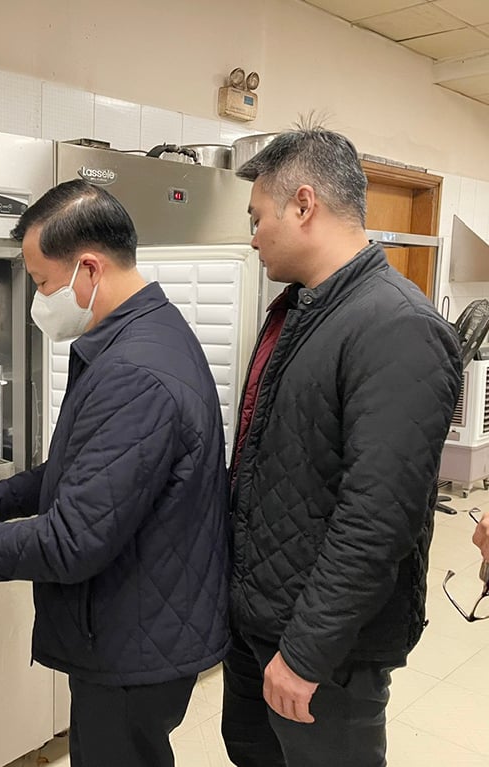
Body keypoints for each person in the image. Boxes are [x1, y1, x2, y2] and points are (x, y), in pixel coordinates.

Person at [0, 178, 230, 767]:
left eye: (41, 281)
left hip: (135, 639)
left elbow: (74, 539)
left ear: (88, 268)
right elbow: (82, 473)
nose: (39, 298)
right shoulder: (141, 334)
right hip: (139, 621)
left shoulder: (134, 372)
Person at [222, 125, 462, 767]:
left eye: (257, 217)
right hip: (260, 630)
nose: (252, 239)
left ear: (303, 205)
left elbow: (378, 519)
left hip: (325, 654)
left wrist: (305, 652)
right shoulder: (299, 311)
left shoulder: (396, 329)